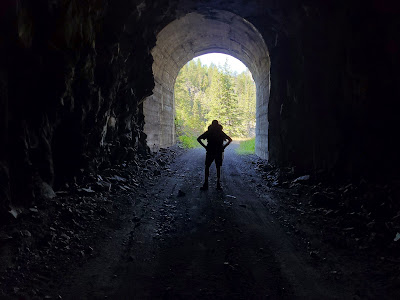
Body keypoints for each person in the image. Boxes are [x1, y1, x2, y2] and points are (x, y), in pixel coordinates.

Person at [197, 120, 232, 190]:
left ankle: (206, 184)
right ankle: (218, 184)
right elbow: (230, 140)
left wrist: (205, 147)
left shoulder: (209, 132)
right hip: (219, 151)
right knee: (218, 168)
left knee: (207, 167)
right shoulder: (220, 132)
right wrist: (223, 147)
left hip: (210, 151)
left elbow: (198, 139)